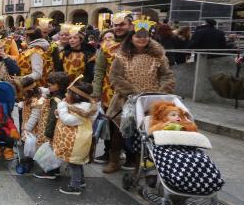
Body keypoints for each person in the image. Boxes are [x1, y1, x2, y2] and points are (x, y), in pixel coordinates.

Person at [106, 19, 175, 171]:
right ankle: (114, 161)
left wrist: (161, 92)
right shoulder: (121, 55)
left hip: (151, 100)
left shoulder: (159, 56)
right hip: (125, 100)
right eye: (138, 36)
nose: (142, 39)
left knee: (145, 134)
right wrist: (133, 91)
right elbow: (115, 77)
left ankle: (140, 163)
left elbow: (167, 75)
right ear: (131, 37)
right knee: (119, 132)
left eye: (145, 36)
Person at [91, 12, 132, 172]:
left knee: (131, 126)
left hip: (133, 93)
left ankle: (132, 157)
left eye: (122, 24)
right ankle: (112, 158)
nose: (119, 27)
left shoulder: (139, 44)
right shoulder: (106, 47)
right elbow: (99, 71)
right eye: (116, 25)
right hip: (111, 93)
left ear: (130, 25)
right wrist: (96, 92)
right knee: (113, 126)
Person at [53, 81, 98, 195]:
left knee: (74, 164)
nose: (66, 95)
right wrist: (59, 112)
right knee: (77, 163)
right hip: (75, 142)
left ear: (76, 96)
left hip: (76, 143)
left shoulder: (82, 110)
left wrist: (62, 107)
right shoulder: (77, 107)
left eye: (68, 93)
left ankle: (75, 186)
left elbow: (68, 120)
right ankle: (80, 181)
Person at [34, 71, 70, 180]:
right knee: (53, 150)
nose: (49, 85)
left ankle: (50, 172)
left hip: (51, 129)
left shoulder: (56, 100)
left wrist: (48, 133)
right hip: (55, 128)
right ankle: (55, 170)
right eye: (49, 83)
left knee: (51, 150)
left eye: (52, 84)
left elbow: (52, 118)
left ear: (60, 86)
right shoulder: (59, 96)